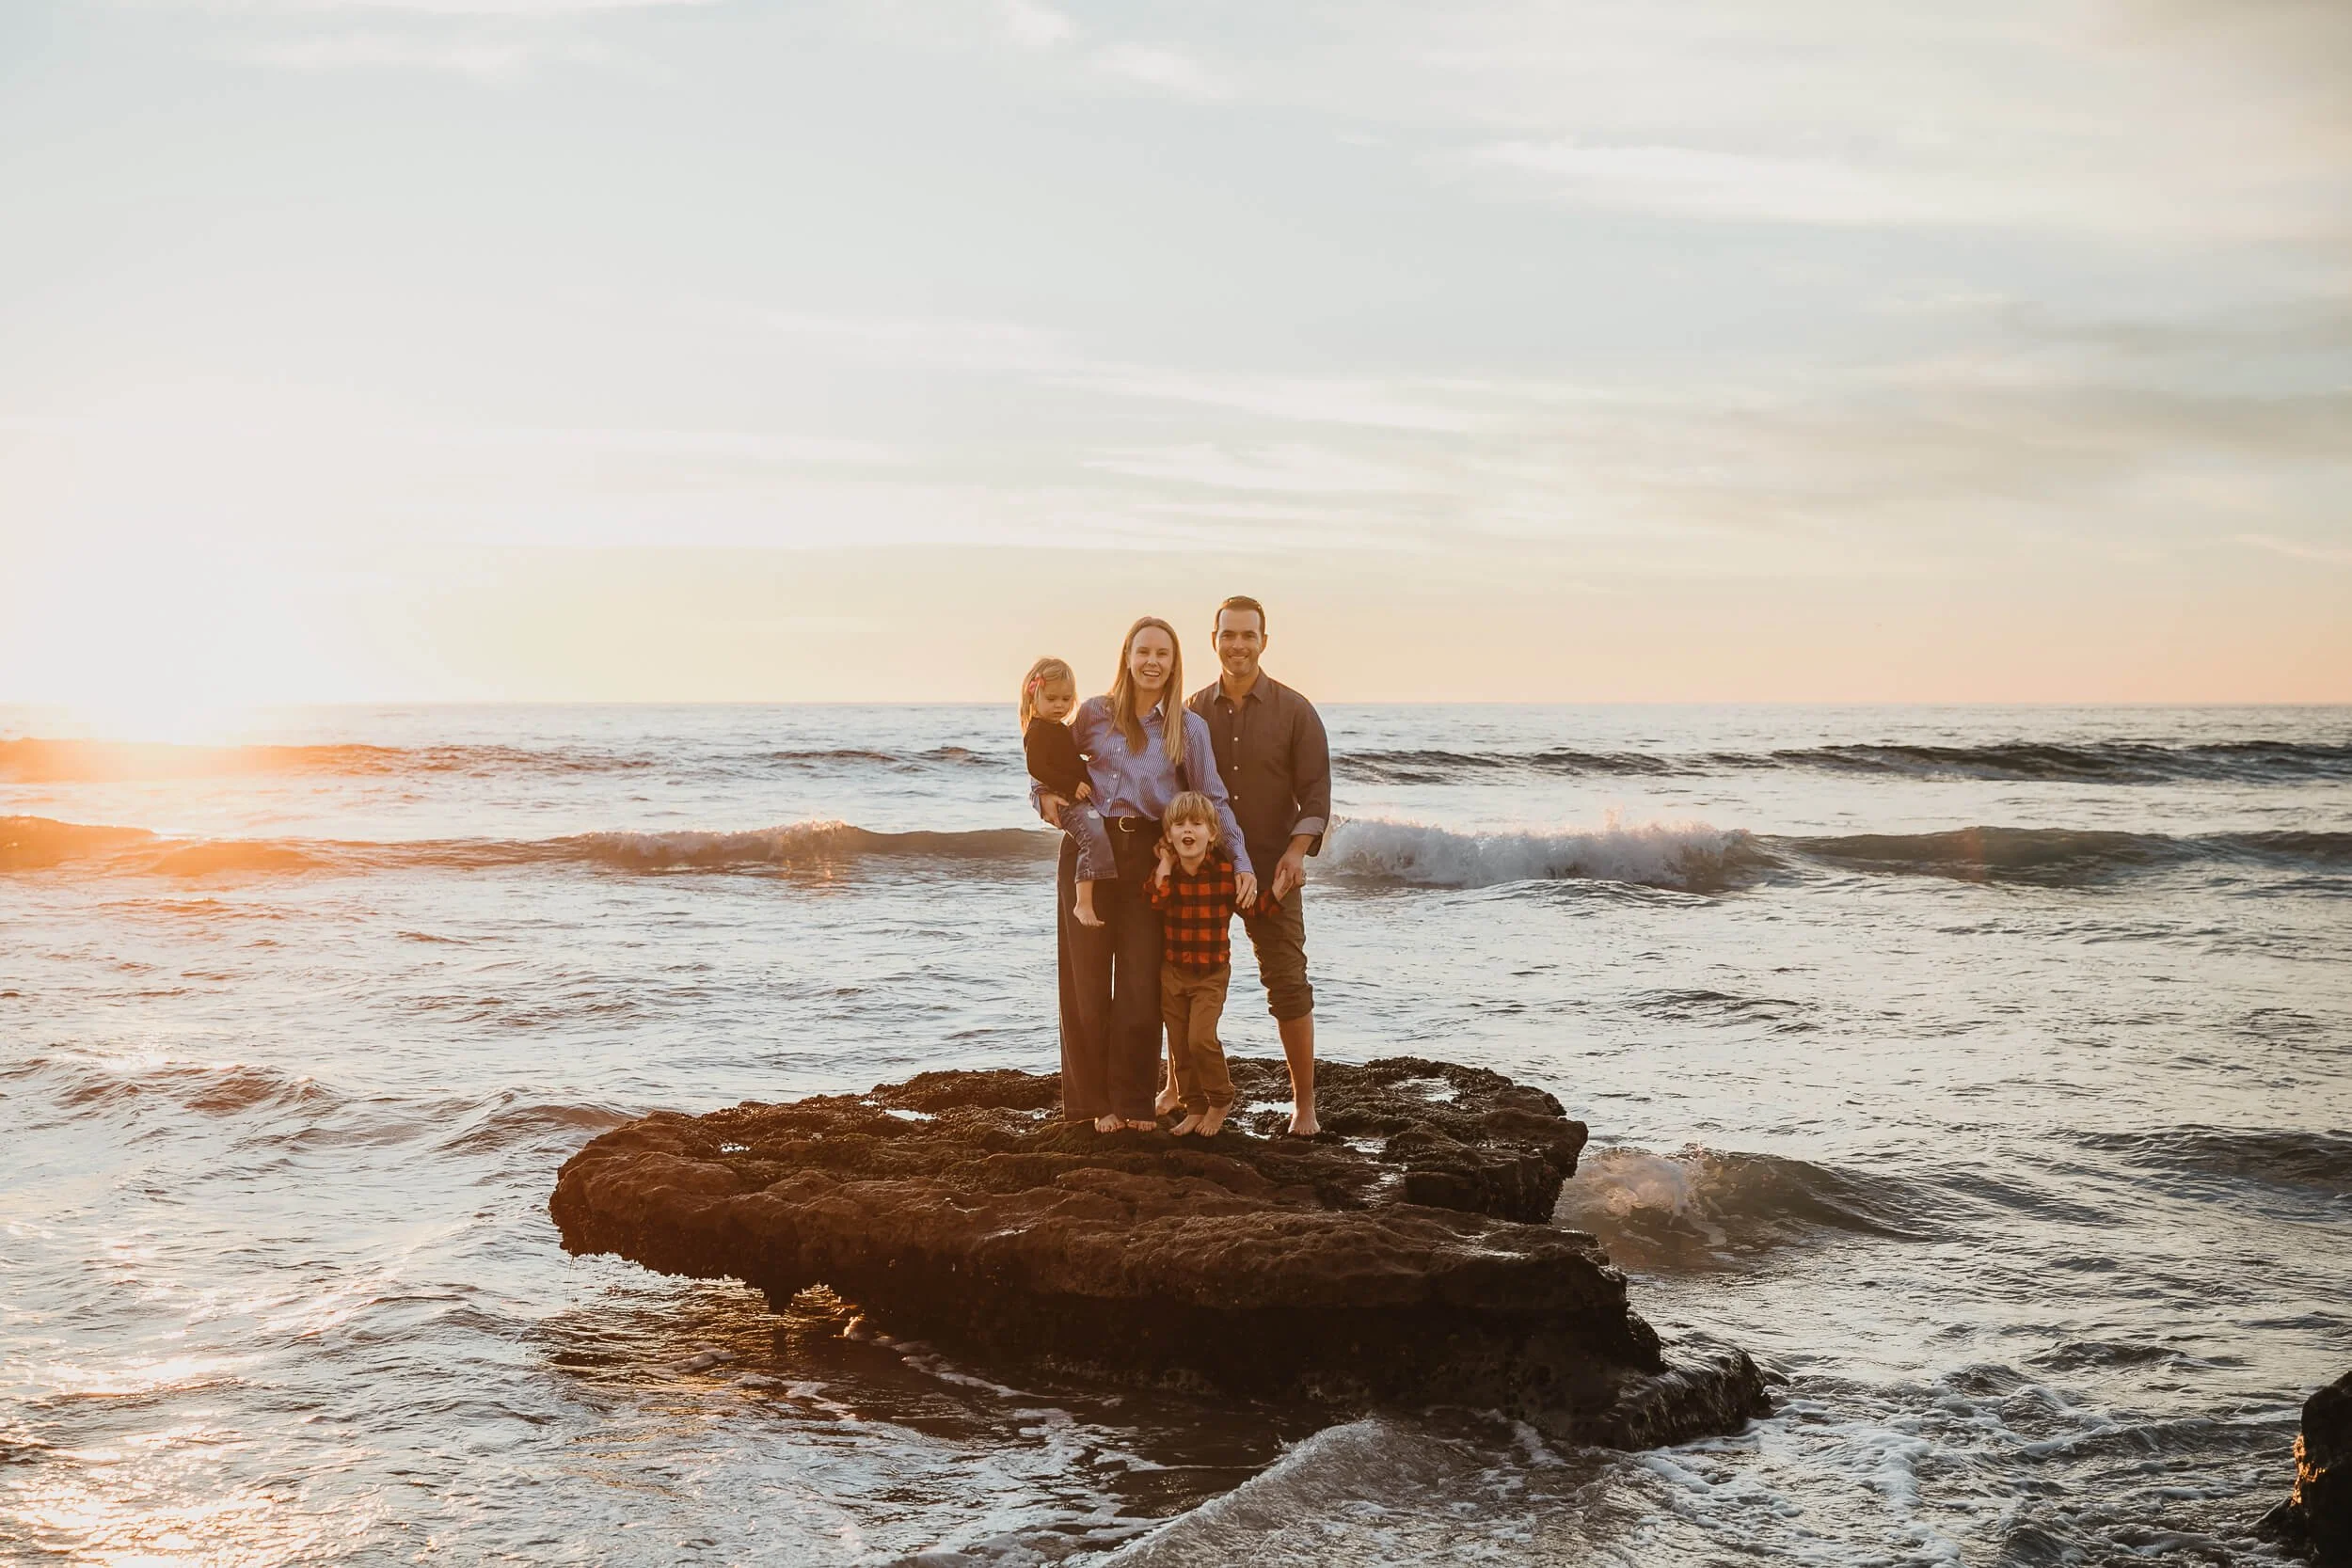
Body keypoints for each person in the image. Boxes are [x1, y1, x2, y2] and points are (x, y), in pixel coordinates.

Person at [1037, 618, 1254, 1134]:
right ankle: (1092, 1105)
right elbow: (1047, 756)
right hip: (1090, 851)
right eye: (1143, 652)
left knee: (1138, 985)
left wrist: (1240, 860)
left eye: (1163, 653)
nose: (1152, 662)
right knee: (1085, 982)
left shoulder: (1188, 726)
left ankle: (1134, 1102)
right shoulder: (1094, 713)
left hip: (1150, 858)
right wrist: (1043, 795)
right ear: (1127, 657)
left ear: (1175, 662)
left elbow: (1213, 797)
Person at [1182, 595, 1331, 1136]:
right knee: (1183, 979)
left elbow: (1315, 793)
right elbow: (1171, 791)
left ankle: (1305, 1107)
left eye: (1248, 635)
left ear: (1264, 641)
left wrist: (1296, 853)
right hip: (1202, 872)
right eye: (1229, 635)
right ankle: (1179, 1089)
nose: (1238, 645)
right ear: (1214, 640)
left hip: (1272, 871)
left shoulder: (1296, 711)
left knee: (1288, 983)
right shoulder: (1191, 711)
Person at [1144, 791, 1275, 1138]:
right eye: (1179, 824)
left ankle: (1220, 1099)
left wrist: (1279, 890)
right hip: (1173, 973)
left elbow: (1254, 911)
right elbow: (1156, 899)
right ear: (1169, 835)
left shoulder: (1222, 875)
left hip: (1211, 975)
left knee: (1200, 1039)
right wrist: (1166, 865)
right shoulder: (1167, 874)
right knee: (1179, 1044)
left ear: (1212, 834)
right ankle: (1194, 1106)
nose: (1188, 830)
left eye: (1197, 824)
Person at [1018, 657, 1112, 928]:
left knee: (1098, 835)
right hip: (1067, 800)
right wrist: (1072, 785)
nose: (1060, 705)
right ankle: (1083, 902)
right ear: (1034, 696)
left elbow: (1067, 759)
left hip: (1077, 797)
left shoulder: (1058, 729)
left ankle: (1099, 886)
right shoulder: (1037, 731)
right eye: (1052, 699)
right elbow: (1036, 767)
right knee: (1093, 837)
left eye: (1066, 699)